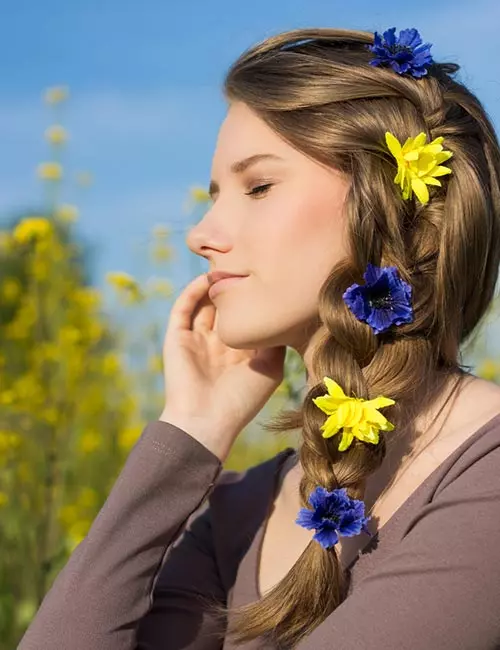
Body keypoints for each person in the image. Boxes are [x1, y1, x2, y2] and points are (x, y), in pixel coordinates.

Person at [18, 26, 500, 650]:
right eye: (215, 194)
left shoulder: (484, 471)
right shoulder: (238, 510)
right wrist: (191, 431)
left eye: (259, 187)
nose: (199, 233)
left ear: (388, 203)